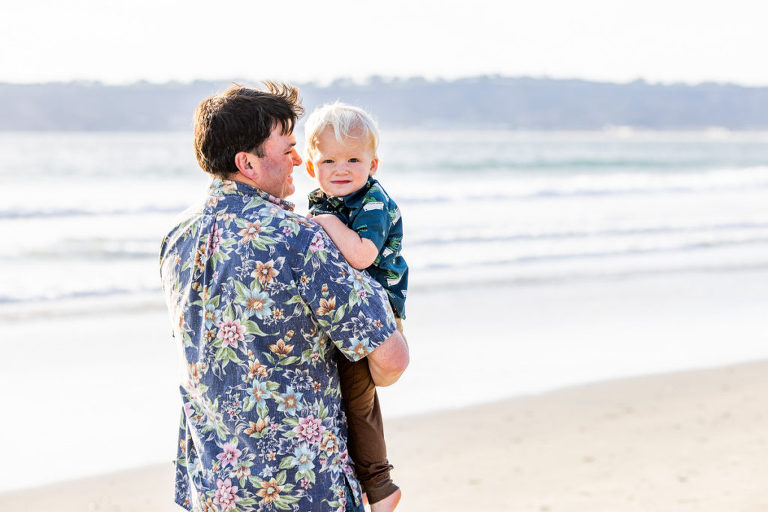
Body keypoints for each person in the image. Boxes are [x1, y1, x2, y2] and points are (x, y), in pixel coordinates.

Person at [159, 82, 409, 512]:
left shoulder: (176, 237)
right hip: (302, 485)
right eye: (288, 148)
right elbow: (389, 361)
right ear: (248, 163)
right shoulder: (300, 238)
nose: (299, 159)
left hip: (212, 485)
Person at [303, 103, 408, 511]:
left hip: (377, 313)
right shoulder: (320, 201)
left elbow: (362, 254)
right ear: (312, 168)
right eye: (328, 160)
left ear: (373, 164)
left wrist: (327, 225)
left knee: (358, 397)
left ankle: (380, 487)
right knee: (347, 395)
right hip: (348, 313)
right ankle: (370, 481)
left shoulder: (374, 201)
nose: (340, 168)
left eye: (352, 159)